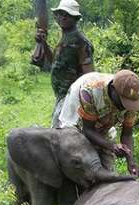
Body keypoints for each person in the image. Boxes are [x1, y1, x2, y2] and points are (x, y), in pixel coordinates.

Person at [57, 70, 139, 177]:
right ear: (113, 89)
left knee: (106, 166)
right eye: (123, 102)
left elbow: (127, 134)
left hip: (103, 121)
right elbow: (87, 129)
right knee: (74, 153)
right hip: (78, 112)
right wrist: (111, 146)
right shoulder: (89, 91)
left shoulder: (131, 98)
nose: (125, 107)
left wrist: (130, 160)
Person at [41, 0, 94, 128]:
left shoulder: (81, 42)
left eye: (67, 14)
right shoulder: (65, 37)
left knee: (60, 134)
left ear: (75, 18)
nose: (62, 17)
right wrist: (43, 43)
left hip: (71, 98)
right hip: (61, 96)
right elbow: (54, 61)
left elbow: (89, 76)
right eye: (60, 13)